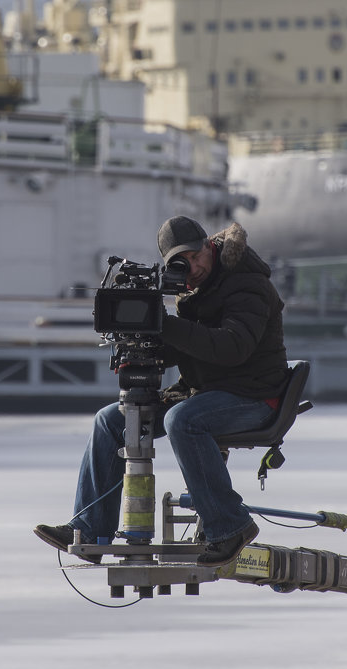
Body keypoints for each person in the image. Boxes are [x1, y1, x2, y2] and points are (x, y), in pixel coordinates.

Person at [34, 216, 289, 567]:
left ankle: (230, 526)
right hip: (206, 391)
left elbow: (232, 348)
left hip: (256, 396)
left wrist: (166, 326)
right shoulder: (191, 291)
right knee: (110, 420)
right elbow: (189, 346)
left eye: (196, 256)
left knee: (183, 420)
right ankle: (90, 528)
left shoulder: (247, 285)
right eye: (182, 263)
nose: (194, 267)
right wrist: (143, 339)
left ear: (209, 245)